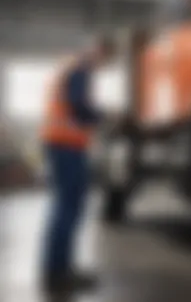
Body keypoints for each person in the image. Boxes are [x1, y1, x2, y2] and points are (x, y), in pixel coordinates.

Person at [40, 35, 116, 294]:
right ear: (100, 52)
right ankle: (57, 273)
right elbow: (79, 108)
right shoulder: (81, 69)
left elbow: (75, 106)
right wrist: (105, 116)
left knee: (67, 208)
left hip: (62, 144)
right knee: (68, 209)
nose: (103, 65)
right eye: (106, 60)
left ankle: (60, 269)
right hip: (66, 146)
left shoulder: (72, 67)